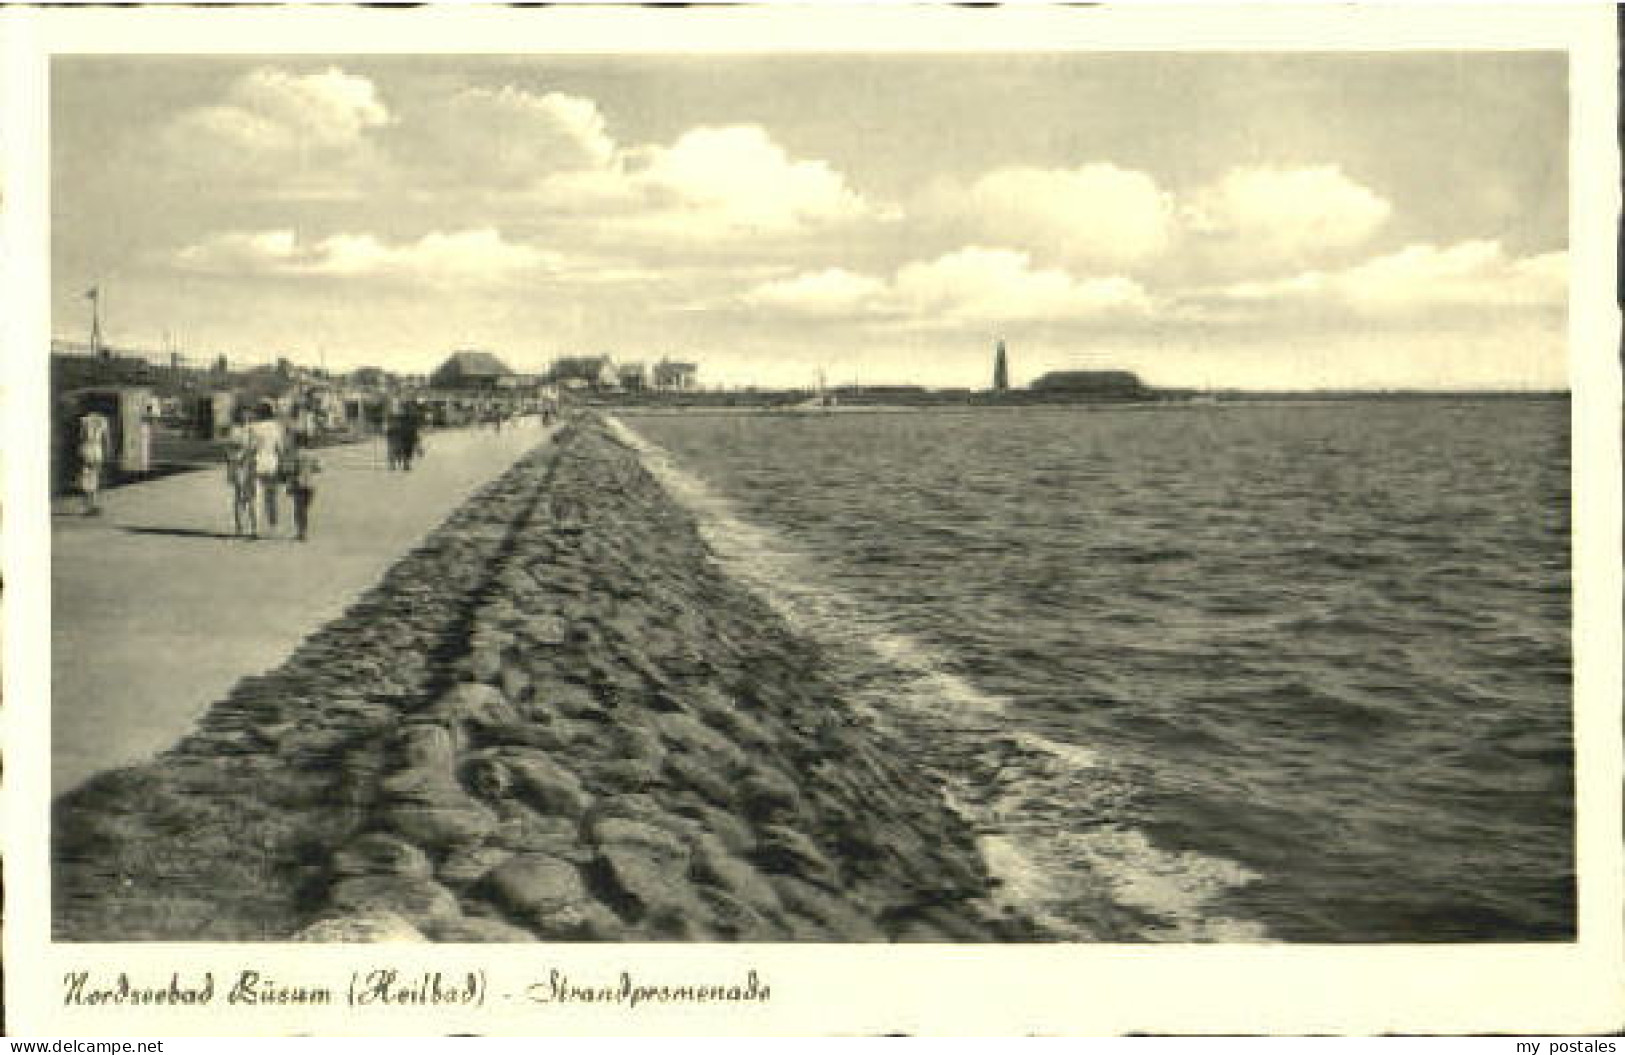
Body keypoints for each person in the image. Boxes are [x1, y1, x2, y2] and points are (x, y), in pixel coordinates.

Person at [244, 403, 287, 535]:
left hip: (256, 463)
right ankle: (273, 525)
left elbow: (250, 448)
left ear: (260, 413)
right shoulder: (277, 427)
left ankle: (254, 528)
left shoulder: (253, 428)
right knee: (271, 496)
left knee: (255, 497)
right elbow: (280, 448)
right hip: (272, 463)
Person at [223, 407, 257, 538]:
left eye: (248, 415)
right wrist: (234, 460)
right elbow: (228, 450)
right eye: (244, 415)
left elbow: (255, 447)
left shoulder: (252, 430)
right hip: (238, 466)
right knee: (239, 497)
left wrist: (248, 453)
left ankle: (253, 528)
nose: (246, 418)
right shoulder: (234, 430)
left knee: (250, 497)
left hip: (249, 465)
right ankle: (239, 528)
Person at [283, 433, 322, 542]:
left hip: (298, 484)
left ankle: (301, 532)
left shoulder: (294, 455)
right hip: (311, 484)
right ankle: (303, 532)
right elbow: (319, 468)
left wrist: (288, 485)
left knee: (298, 509)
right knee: (304, 509)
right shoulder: (313, 454)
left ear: (296, 443)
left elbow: (289, 470)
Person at [76, 409, 110, 516]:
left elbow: (81, 437)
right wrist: (107, 452)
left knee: (85, 477)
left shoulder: (84, 420)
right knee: (95, 477)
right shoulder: (103, 420)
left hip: (86, 448)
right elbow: (106, 439)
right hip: (97, 450)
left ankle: (86, 506)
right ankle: (94, 505)